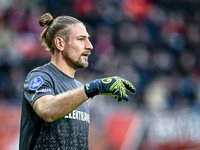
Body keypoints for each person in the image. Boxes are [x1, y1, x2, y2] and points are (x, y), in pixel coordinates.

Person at [19, 12, 136, 150]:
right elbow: (47, 110)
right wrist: (93, 88)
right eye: (81, 39)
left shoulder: (79, 89)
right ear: (60, 44)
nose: (90, 46)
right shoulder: (40, 77)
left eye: (88, 39)